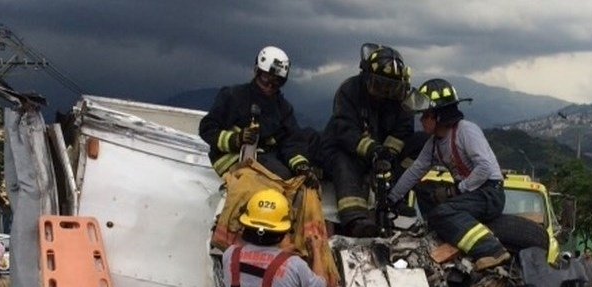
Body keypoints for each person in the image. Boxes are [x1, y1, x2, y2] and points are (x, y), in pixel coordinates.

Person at [387, 78, 509, 270]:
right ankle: (439, 230)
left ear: (439, 116)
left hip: (489, 192)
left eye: (426, 115)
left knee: (443, 211)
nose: (421, 120)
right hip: (470, 193)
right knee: (423, 189)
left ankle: (492, 250)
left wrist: (457, 190)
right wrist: (391, 198)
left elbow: (485, 167)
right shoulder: (433, 143)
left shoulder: (466, 131)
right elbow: (415, 171)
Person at [320, 43, 424, 238]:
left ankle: (396, 199)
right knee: (344, 162)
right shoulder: (349, 90)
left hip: (381, 153)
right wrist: (372, 150)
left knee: (421, 143)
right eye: (380, 85)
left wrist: (388, 154)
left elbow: (403, 129)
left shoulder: (399, 97)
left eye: (391, 87)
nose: (385, 93)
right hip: (345, 148)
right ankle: (355, 219)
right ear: (366, 77)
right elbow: (344, 129)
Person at [199, 46, 317, 184]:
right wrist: (236, 139)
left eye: (276, 82)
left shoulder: (283, 108)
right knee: (282, 175)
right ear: (256, 71)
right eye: (266, 78)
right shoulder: (234, 96)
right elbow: (207, 128)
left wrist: (300, 165)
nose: (269, 85)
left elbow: (292, 141)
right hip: (231, 157)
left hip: (266, 154)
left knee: (310, 137)